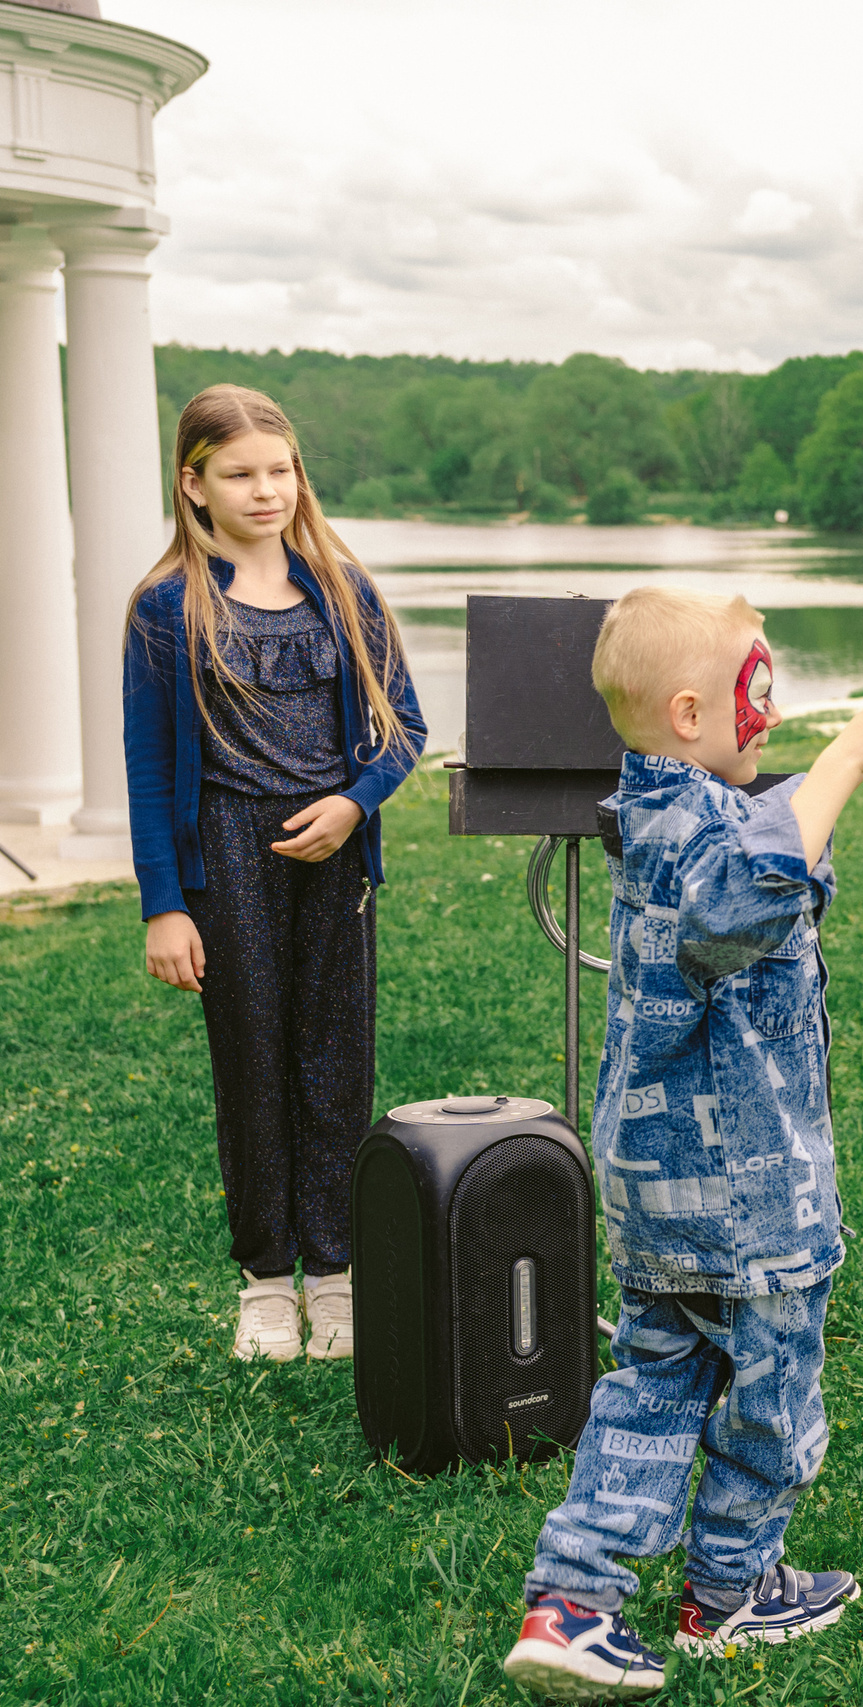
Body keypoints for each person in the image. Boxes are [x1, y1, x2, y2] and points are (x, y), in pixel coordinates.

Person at [502, 588, 863, 1699]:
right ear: (687, 713)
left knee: (655, 1384)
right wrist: (846, 757)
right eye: (755, 691)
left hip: (663, 1190)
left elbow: (762, 849)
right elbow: (743, 899)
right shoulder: (697, 838)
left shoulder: (670, 808)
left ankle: (572, 1603)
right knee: (772, 1402)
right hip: (746, 1199)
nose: (774, 713)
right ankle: (728, 1592)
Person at [123, 385, 425, 1363]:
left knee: (335, 1062)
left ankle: (333, 1274)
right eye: (239, 474)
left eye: (280, 470)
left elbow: (405, 727)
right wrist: (165, 905)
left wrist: (354, 804)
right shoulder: (167, 607)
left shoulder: (344, 590)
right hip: (227, 860)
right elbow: (146, 767)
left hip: (331, 860)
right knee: (252, 1065)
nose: (266, 491)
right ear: (193, 485)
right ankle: (264, 1283)